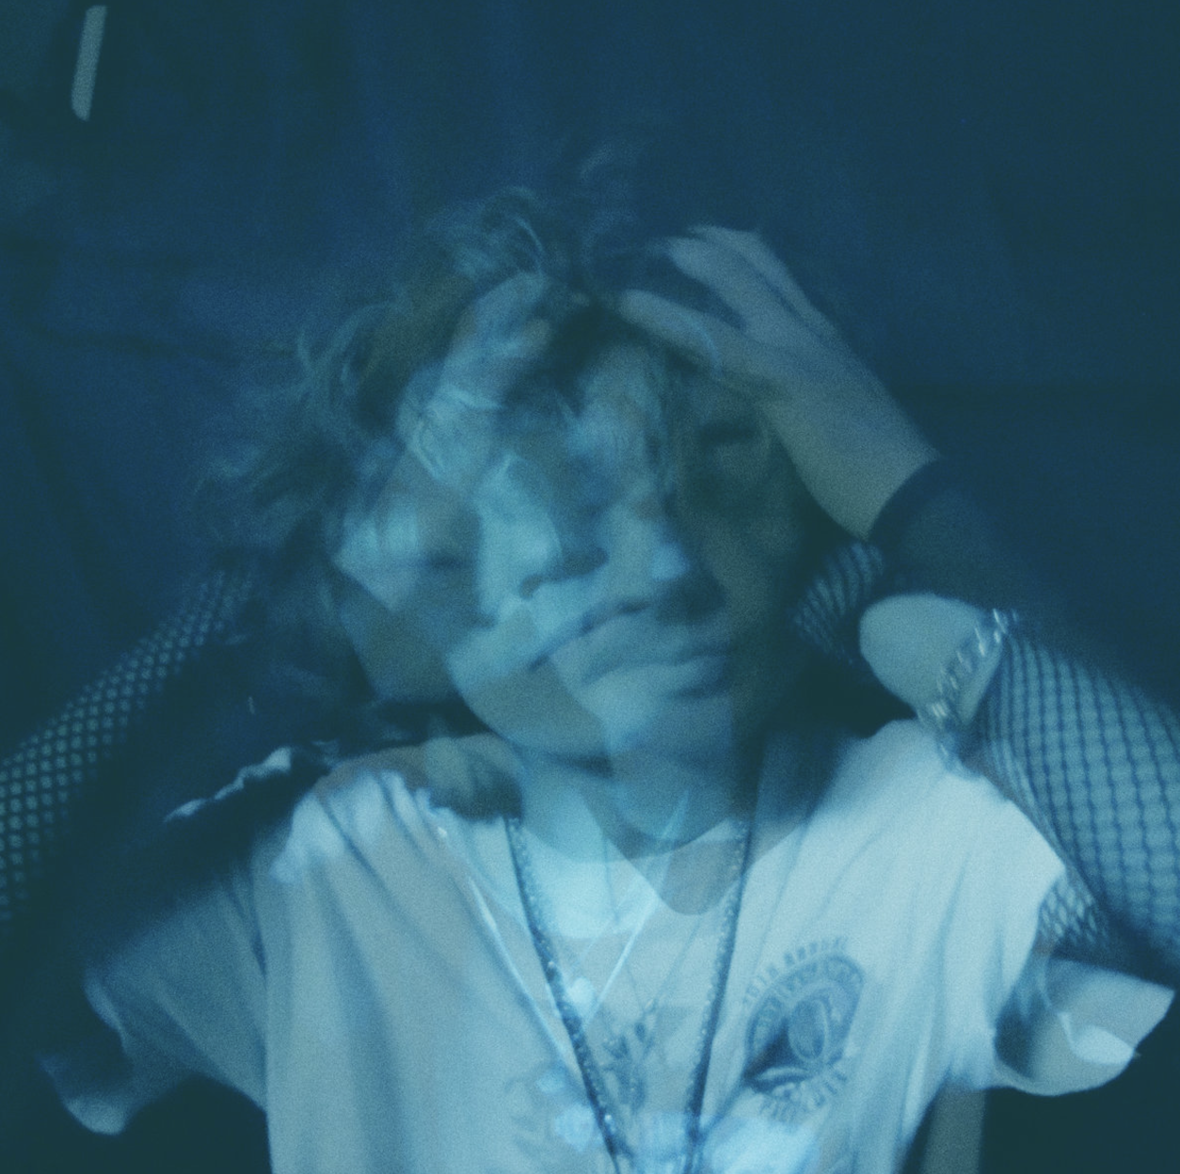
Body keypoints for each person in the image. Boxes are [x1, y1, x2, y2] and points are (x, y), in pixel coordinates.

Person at [34, 189, 1180, 1172]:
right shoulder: (333, 860)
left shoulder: (915, 829)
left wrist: (904, 510)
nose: (656, 562)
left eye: (699, 474)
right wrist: (272, 598)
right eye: (558, 507)